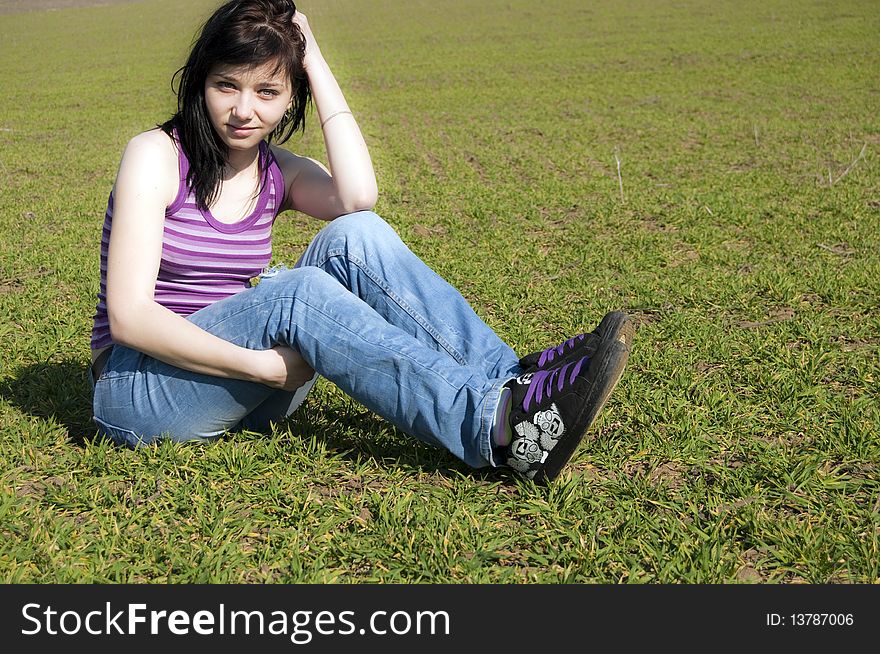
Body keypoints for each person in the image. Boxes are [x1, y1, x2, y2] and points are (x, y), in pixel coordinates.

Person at [89, 0, 634, 483]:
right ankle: (493, 427)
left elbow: (358, 197)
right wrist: (261, 368)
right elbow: (130, 317)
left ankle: (511, 384)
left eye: (268, 91)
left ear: (290, 96)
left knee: (357, 234)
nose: (244, 110)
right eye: (226, 85)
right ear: (200, 82)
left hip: (242, 387)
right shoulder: (156, 155)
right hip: (142, 389)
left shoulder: (276, 170)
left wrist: (314, 60)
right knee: (295, 292)